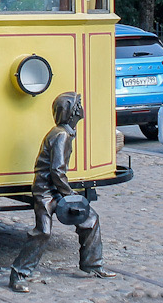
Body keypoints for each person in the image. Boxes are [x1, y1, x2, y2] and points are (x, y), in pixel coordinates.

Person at [9, 92, 114, 292]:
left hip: (56, 188)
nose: (82, 109)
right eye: (79, 105)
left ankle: (92, 265)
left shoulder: (64, 132)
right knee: (43, 232)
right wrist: (70, 196)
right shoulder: (61, 135)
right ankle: (18, 274)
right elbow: (56, 171)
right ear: (71, 112)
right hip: (46, 190)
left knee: (90, 219)